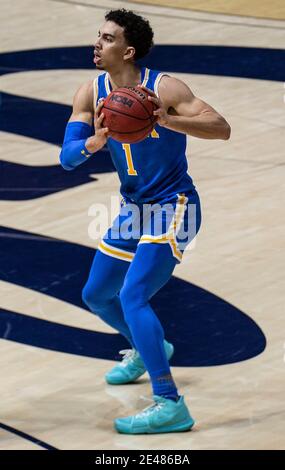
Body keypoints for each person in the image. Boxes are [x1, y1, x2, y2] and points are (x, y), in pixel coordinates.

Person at [59, 8, 230, 434]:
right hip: (134, 209)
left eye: (107, 38)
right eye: (98, 35)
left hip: (175, 206)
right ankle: (148, 347)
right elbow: (65, 159)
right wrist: (92, 144)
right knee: (97, 294)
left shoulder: (164, 87)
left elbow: (221, 127)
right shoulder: (90, 91)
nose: (97, 43)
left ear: (128, 50)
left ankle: (170, 403)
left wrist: (169, 119)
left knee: (133, 295)